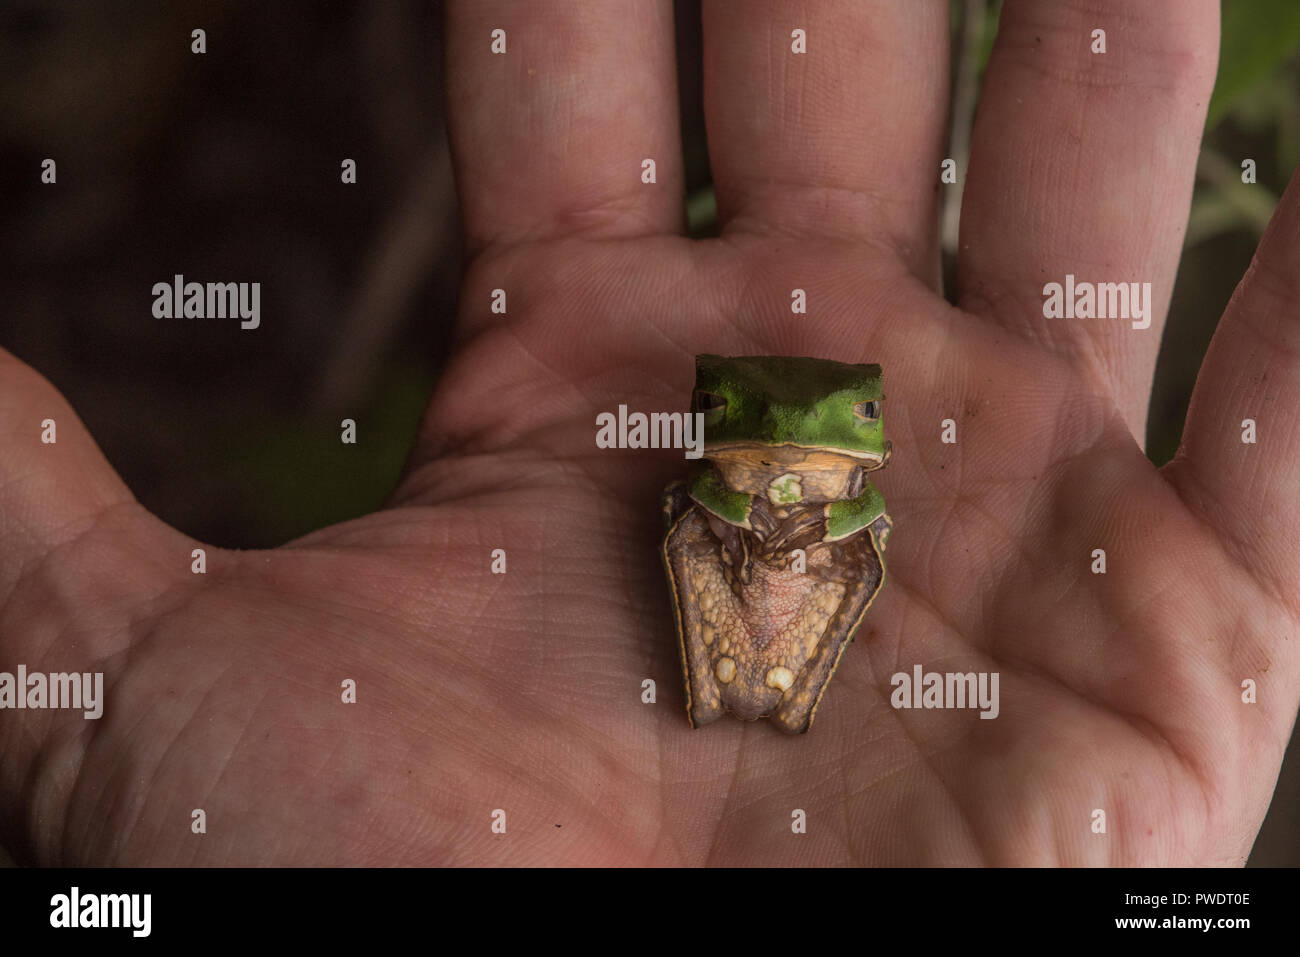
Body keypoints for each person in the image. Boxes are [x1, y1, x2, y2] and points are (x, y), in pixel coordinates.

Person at [0, 0, 1292, 865]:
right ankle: (752, 672)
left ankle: (764, 678)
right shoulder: (721, 474)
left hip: (799, 603)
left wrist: (815, 519)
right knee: (703, 523)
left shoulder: (850, 492)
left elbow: (850, 526)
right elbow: (703, 517)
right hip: (734, 594)